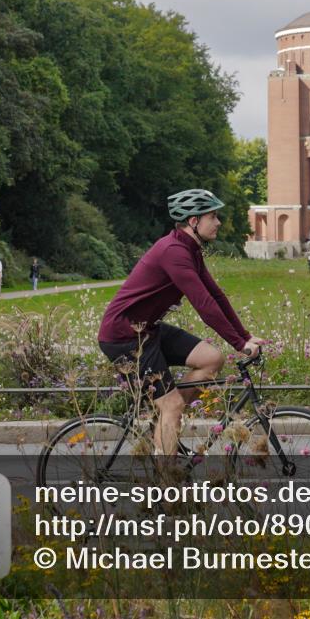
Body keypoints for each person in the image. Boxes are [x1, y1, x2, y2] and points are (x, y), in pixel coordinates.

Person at [98, 189, 266, 459]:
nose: (219, 222)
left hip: (148, 329)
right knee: (173, 404)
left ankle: (165, 421)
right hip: (124, 336)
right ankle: (166, 488)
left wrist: (244, 337)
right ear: (193, 221)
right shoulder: (173, 251)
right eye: (213, 216)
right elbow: (203, 304)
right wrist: (239, 344)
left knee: (212, 359)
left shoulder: (190, 249)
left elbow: (216, 296)